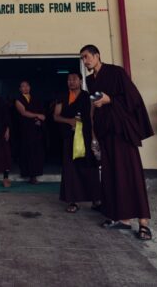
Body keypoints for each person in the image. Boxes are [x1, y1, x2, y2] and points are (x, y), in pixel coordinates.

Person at [80, 44, 153, 241]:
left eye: (87, 57)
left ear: (97, 56)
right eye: (83, 58)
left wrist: (110, 99)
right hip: (105, 132)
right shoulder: (90, 80)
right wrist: (94, 134)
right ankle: (122, 218)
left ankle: (144, 223)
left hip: (122, 131)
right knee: (112, 176)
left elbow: (133, 99)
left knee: (131, 174)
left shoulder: (116, 72)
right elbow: (95, 106)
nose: (85, 61)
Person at [53, 72, 101, 213]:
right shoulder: (62, 96)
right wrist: (69, 121)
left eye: (74, 79)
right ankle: (74, 201)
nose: (71, 82)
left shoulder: (87, 97)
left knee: (90, 167)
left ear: (80, 81)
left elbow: (92, 117)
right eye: (69, 80)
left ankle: (95, 199)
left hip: (85, 136)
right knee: (71, 169)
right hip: (70, 137)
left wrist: (94, 138)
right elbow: (56, 116)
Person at [15, 80, 45, 184]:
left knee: (36, 152)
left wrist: (39, 120)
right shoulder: (18, 100)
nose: (25, 88)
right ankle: (29, 174)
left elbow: (42, 113)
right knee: (27, 152)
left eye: (27, 86)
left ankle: (35, 175)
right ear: (20, 89)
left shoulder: (35, 99)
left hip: (36, 130)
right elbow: (23, 113)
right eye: (23, 86)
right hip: (24, 130)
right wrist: (37, 116)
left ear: (30, 87)